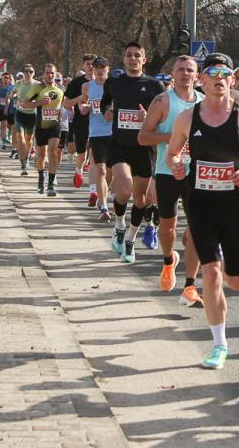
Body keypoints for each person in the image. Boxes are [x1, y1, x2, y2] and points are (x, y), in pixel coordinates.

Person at [166, 53, 239, 369]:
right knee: (211, 274)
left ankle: (226, 277)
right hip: (199, 203)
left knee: (236, 281)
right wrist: (176, 164)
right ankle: (219, 344)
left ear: (232, 80)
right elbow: (173, 153)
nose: (219, 78)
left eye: (224, 73)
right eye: (212, 72)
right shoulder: (187, 118)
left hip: (232, 205)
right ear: (202, 80)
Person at [138, 55, 204, 308]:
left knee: (197, 227)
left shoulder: (205, 102)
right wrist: (174, 137)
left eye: (190, 70)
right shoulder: (162, 101)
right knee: (167, 227)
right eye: (181, 70)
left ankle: (190, 286)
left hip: (196, 173)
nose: (185, 74)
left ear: (197, 76)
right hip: (167, 172)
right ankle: (168, 261)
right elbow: (143, 137)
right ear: (173, 74)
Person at [100, 42, 163, 264]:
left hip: (144, 148)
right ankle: (119, 225)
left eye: (137, 55)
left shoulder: (154, 86)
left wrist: (148, 118)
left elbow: (163, 116)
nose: (133, 59)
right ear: (124, 58)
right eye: (129, 55)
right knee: (124, 188)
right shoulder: (114, 83)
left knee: (141, 199)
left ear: (144, 60)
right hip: (119, 144)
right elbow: (105, 104)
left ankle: (130, 239)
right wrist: (107, 112)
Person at [19, 64, 66, 197]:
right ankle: (41, 179)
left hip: (55, 125)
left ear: (56, 74)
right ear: (44, 74)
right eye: (47, 73)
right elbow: (24, 104)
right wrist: (40, 103)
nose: (50, 75)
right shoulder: (37, 88)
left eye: (52, 73)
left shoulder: (61, 89)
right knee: (40, 156)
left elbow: (64, 106)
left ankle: (51, 185)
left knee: (53, 152)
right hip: (40, 126)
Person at [76, 57, 114, 221]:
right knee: (101, 170)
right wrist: (83, 107)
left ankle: (102, 196)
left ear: (108, 69)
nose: (99, 70)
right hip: (96, 133)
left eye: (102, 67)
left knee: (111, 172)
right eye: (96, 67)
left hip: (113, 133)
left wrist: (114, 112)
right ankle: (104, 206)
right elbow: (82, 102)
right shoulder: (87, 86)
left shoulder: (115, 85)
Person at [63, 54, 97, 188]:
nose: (91, 67)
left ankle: (93, 188)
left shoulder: (103, 82)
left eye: (93, 64)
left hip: (98, 123)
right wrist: (81, 97)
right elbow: (66, 104)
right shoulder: (76, 83)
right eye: (88, 64)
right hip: (81, 121)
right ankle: (78, 170)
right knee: (81, 154)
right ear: (83, 66)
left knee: (95, 155)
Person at [14, 65, 42, 175]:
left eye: (31, 71)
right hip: (20, 114)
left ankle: (27, 156)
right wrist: (12, 96)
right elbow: (15, 92)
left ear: (34, 73)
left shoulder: (37, 85)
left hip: (32, 115)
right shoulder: (18, 83)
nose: (28, 73)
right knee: (20, 138)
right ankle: (23, 163)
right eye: (26, 71)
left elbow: (41, 97)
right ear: (23, 73)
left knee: (29, 140)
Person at [0, 73, 15, 151]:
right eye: (4, 77)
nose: (6, 79)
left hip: (11, 108)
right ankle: (4, 142)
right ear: (2, 79)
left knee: (10, 126)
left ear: (10, 79)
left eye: (7, 77)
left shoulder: (12, 87)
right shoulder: (0, 88)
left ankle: (9, 135)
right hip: (1, 107)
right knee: (3, 125)